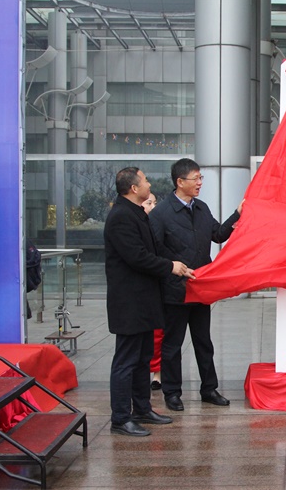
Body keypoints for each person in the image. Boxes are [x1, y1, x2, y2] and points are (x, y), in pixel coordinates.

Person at [104, 167, 194, 436]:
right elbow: (137, 257)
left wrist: (179, 265)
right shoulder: (121, 217)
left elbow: (154, 248)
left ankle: (142, 409)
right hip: (129, 303)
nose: (149, 184)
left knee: (143, 358)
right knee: (126, 361)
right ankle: (121, 418)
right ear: (133, 188)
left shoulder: (137, 213)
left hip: (144, 300)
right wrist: (170, 267)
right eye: (145, 181)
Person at [149, 158, 242, 412]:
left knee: (203, 342)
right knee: (172, 344)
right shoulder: (161, 214)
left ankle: (209, 389)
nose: (200, 183)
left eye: (201, 178)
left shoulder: (201, 208)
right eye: (196, 178)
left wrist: (238, 214)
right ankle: (172, 392)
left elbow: (218, 234)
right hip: (174, 291)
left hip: (200, 289)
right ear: (180, 182)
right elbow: (154, 253)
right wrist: (172, 270)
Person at [140, 193, 163, 391]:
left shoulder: (158, 223)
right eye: (149, 203)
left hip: (160, 287)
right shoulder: (134, 225)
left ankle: (158, 373)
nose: (153, 207)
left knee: (159, 334)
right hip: (140, 291)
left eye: (155, 203)